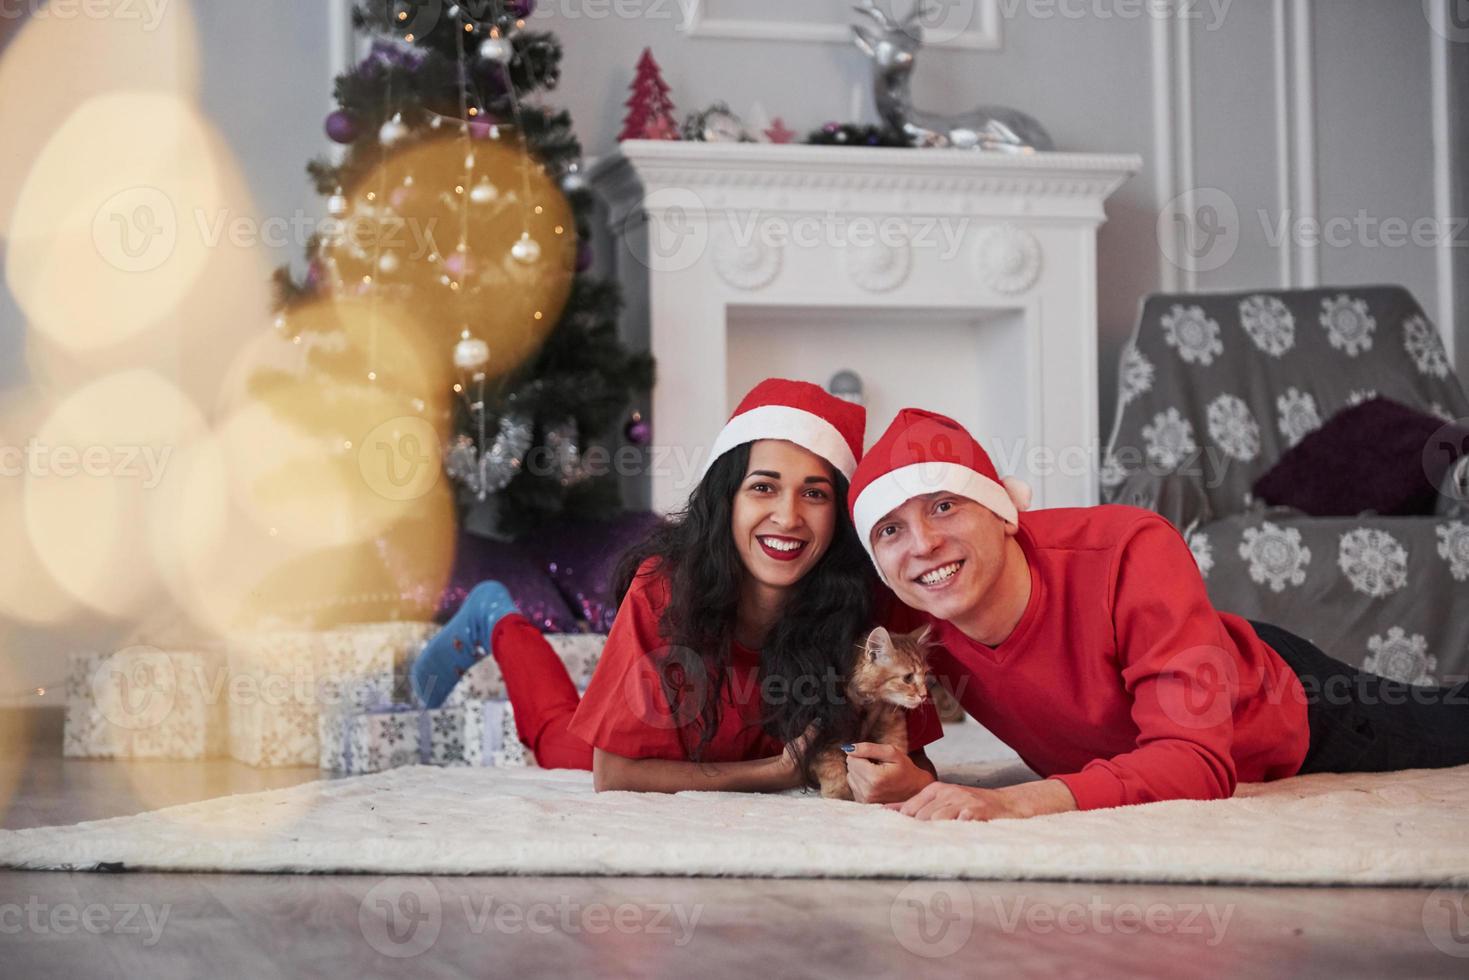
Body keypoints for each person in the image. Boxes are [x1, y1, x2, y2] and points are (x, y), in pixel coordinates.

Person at [840, 407, 1469, 821]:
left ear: (1004, 513)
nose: (921, 544)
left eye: (945, 506)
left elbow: (1196, 762)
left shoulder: (1129, 549)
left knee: (1449, 722)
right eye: (891, 528)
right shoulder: (910, 605)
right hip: (1180, 657)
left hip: (1281, 698)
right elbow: (894, 739)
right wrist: (906, 776)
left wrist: (1013, 803)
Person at [411, 379, 942, 794]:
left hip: (739, 752)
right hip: (660, 759)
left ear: (838, 516)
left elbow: (915, 758)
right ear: (726, 499)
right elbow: (613, 775)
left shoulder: (867, 604)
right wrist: (776, 773)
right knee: (557, 736)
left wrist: (905, 779)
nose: (787, 516)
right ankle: (496, 616)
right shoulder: (664, 587)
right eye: (763, 488)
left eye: (816, 494)